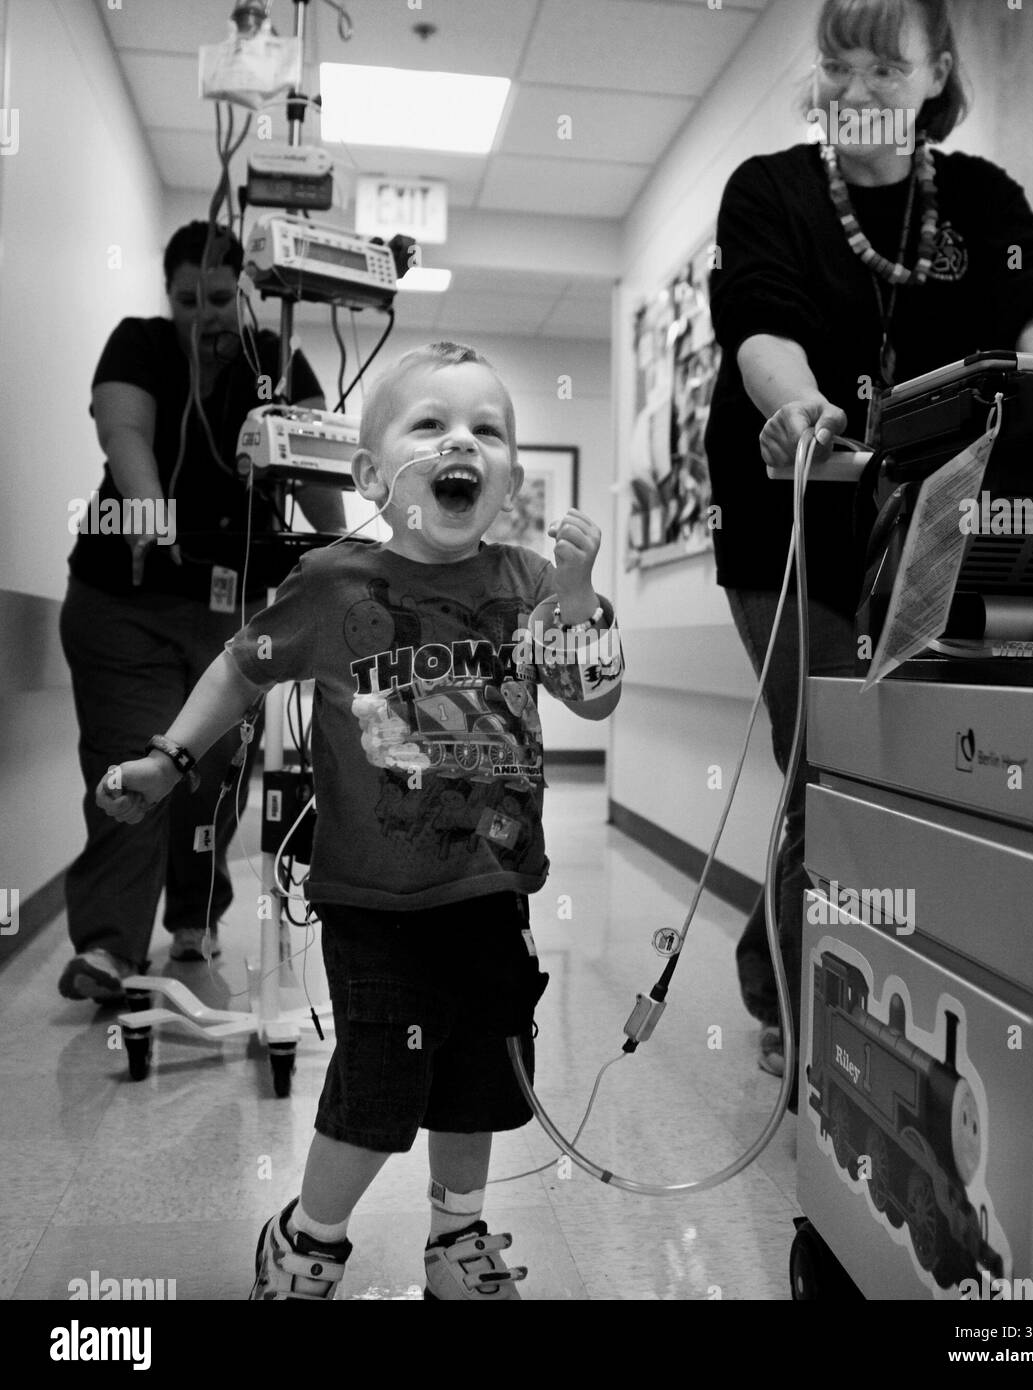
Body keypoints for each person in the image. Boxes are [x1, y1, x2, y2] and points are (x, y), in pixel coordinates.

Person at [93, 341, 623, 1300]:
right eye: (431, 424)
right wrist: (170, 759)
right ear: (374, 477)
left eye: (486, 429)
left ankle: (456, 1238)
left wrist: (580, 593)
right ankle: (308, 1239)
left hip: (492, 891)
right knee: (378, 1087)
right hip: (374, 900)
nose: (460, 442)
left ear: (507, 479)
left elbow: (594, 697)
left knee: (480, 1080)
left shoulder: (531, 584)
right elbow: (239, 668)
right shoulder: (333, 584)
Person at [704, 0, 1033, 1082]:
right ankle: (805, 1015)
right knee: (828, 761)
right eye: (838, 64)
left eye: (885, 66)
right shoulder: (769, 190)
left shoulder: (979, 199)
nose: (857, 89)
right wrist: (796, 406)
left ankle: (811, 965)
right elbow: (759, 327)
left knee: (895, 762)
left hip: (930, 523)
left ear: (935, 74)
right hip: (790, 517)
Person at [58, 220, 344, 1004]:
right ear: (168, 296)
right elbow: (124, 431)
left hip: (234, 609)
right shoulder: (140, 345)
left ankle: (193, 920)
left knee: (211, 771)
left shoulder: (277, 361)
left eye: (220, 298)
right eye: (188, 299)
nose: (204, 314)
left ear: (246, 293)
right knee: (131, 763)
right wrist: (150, 512)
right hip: (124, 603)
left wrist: (350, 556)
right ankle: (110, 948)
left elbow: (317, 471)